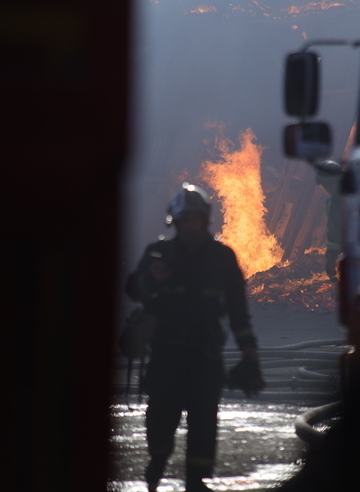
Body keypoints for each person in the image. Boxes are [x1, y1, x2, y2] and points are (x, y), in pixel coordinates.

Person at [125, 183, 263, 492]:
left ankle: (196, 481)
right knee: (160, 416)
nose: (190, 225)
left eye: (195, 219)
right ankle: (157, 464)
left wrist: (249, 352)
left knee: (204, 420)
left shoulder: (222, 257)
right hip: (165, 352)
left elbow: (238, 311)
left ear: (205, 220)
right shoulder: (157, 254)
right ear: (174, 221)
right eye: (185, 220)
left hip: (204, 354)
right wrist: (151, 279)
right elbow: (133, 291)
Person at [315, 160, 343, 281]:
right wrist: (332, 254)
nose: (325, 189)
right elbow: (334, 230)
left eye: (327, 185)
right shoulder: (332, 202)